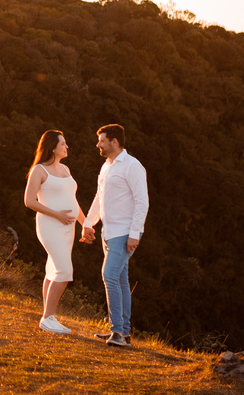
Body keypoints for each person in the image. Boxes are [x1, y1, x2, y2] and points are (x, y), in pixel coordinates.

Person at [80, 123, 149, 348]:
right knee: (119, 280)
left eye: (101, 140)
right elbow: (99, 198)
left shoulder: (132, 166)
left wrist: (135, 233)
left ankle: (117, 331)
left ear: (115, 142)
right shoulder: (106, 166)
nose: (98, 144)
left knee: (109, 275)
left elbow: (142, 201)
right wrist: (88, 224)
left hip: (124, 233)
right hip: (107, 233)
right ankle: (123, 333)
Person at [23, 130, 85, 335]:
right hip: (50, 225)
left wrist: (85, 224)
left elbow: (72, 201)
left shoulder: (66, 169)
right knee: (64, 270)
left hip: (69, 228)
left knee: (53, 269)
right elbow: (29, 201)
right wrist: (57, 214)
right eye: (63, 144)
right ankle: (48, 318)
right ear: (52, 147)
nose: (66, 147)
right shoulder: (39, 170)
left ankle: (48, 317)